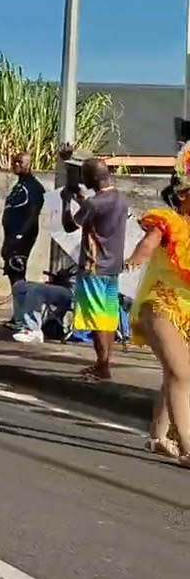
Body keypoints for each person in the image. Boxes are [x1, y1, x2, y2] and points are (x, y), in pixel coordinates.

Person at [125, 150, 190, 463]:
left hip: (188, 313)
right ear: (182, 195)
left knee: (174, 374)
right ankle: (188, 447)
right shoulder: (168, 221)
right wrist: (138, 257)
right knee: (181, 373)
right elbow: (149, 242)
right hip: (160, 304)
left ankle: (159, 436)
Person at [61, 157, 128, 380]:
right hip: (112, 267)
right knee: (108, 317)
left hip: (94, 266)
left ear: (91, 178)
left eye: (84, 176)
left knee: (97, 318)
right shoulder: (119, 198)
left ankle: (102, 365)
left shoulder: (95, 203)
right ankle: (104, 362)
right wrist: (81, 199)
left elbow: (70, 225)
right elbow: (96, 213)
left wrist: (65, 202)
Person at [1, 152, 45, 288]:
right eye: (15, 161)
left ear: (29, 164)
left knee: (17, 272)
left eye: (20, 162)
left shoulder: (34, 187)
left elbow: (33, 214)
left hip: (21, 237)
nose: (16, 164)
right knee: (11, 271)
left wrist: (20, 236)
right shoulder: (19, 186)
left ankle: (22, 305)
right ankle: (18, 305)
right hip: (11, 236)